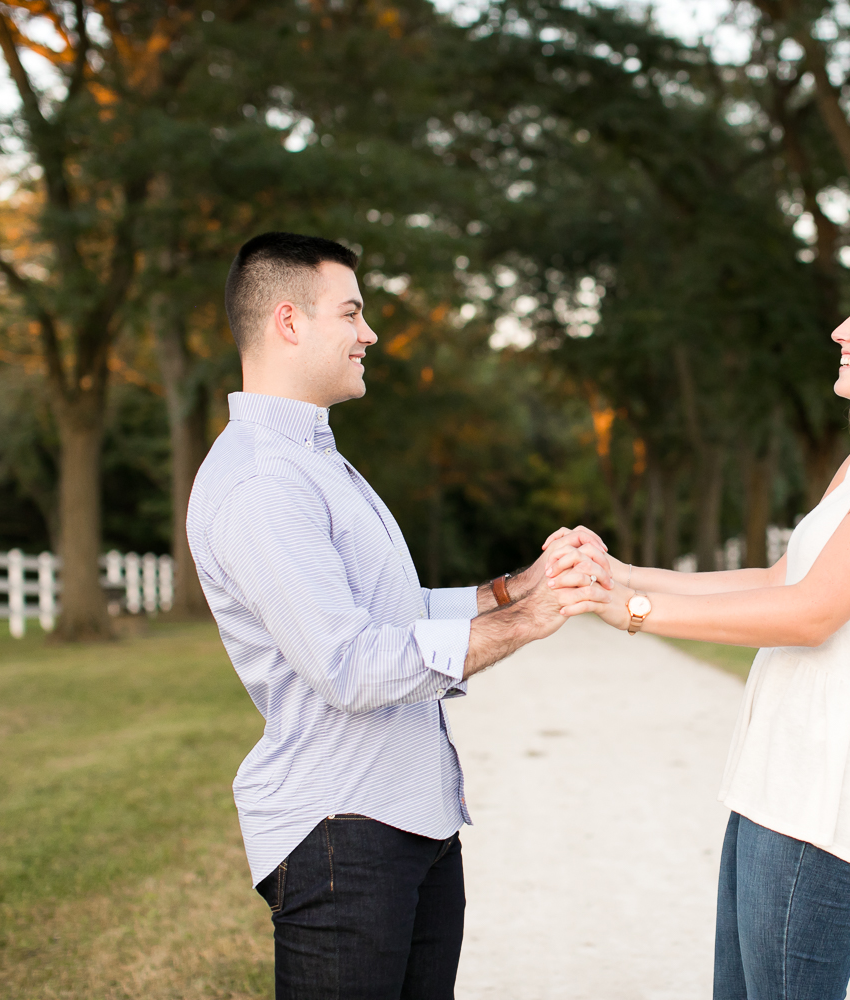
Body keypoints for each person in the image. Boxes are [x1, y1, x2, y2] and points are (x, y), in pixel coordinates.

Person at [544, 255, 850, 1000]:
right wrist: (625, 574)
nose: (840, 330)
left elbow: (813, 615)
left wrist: (636, 614)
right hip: (786, 764)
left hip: (835, 781)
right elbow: (783, 579)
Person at [186, 231, 609, 1000]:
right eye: (350, 313)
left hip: (410, 820)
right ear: (289, 322)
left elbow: (391, 615)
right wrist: (529, 621)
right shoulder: (262, 481)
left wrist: (516, 589)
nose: (369, 333)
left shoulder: (313, 459)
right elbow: (348, 665)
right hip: (341, 836)